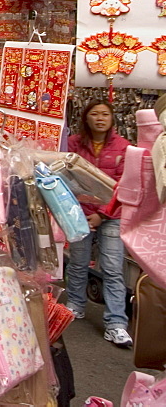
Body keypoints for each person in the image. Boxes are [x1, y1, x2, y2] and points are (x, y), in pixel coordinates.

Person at [66, 100, 133, 348]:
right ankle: (75, 305)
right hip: (79, 213)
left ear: (112, 119)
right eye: (94, 113)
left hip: (112, 217)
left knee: (113, 269)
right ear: (86, 118)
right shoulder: (73, 144)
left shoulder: (124, 148)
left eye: (105, 114)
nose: (100, 118)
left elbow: (125, 186)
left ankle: (116, 324)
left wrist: (102, 215)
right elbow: (65, 176)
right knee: (78, 262)